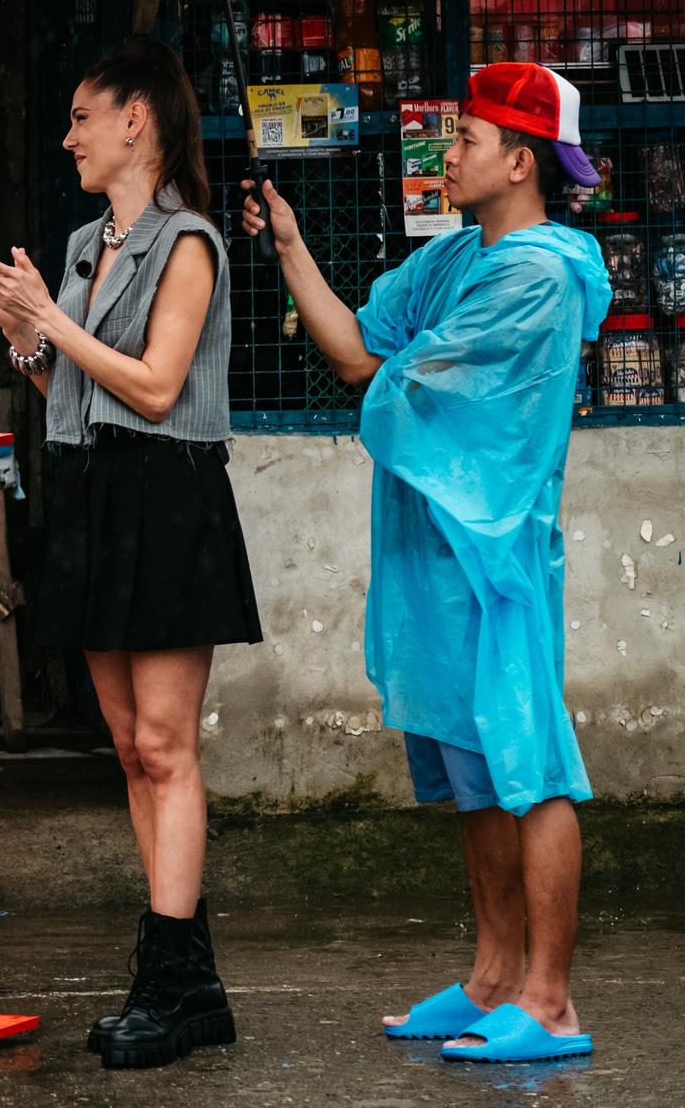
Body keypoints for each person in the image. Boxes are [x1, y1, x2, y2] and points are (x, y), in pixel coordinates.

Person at [240, 61, 610, 1064]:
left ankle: (550, 1001)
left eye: (466, 140)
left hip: (495, 557)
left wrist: (362, 336)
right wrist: (291, 247)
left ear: (520, 161)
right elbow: (356, 344)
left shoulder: (537, 275)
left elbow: (386, 377)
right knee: (473, 769)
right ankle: (493, 976)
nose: (446, 154)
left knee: (530, 767)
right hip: (432, 552)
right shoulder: (453, 258)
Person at [0, 39, 260, 1071]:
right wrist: (22, 331)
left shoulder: (189, 242)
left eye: (83, 116)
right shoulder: (88, 242)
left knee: (166, 744)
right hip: (90, 488)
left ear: (137, 118)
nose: (68, 137)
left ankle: (169, 977)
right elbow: (78, 389)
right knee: (128, 748)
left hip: (166, 493)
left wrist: (49, 316)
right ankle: (188, 978)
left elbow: (159, 388)